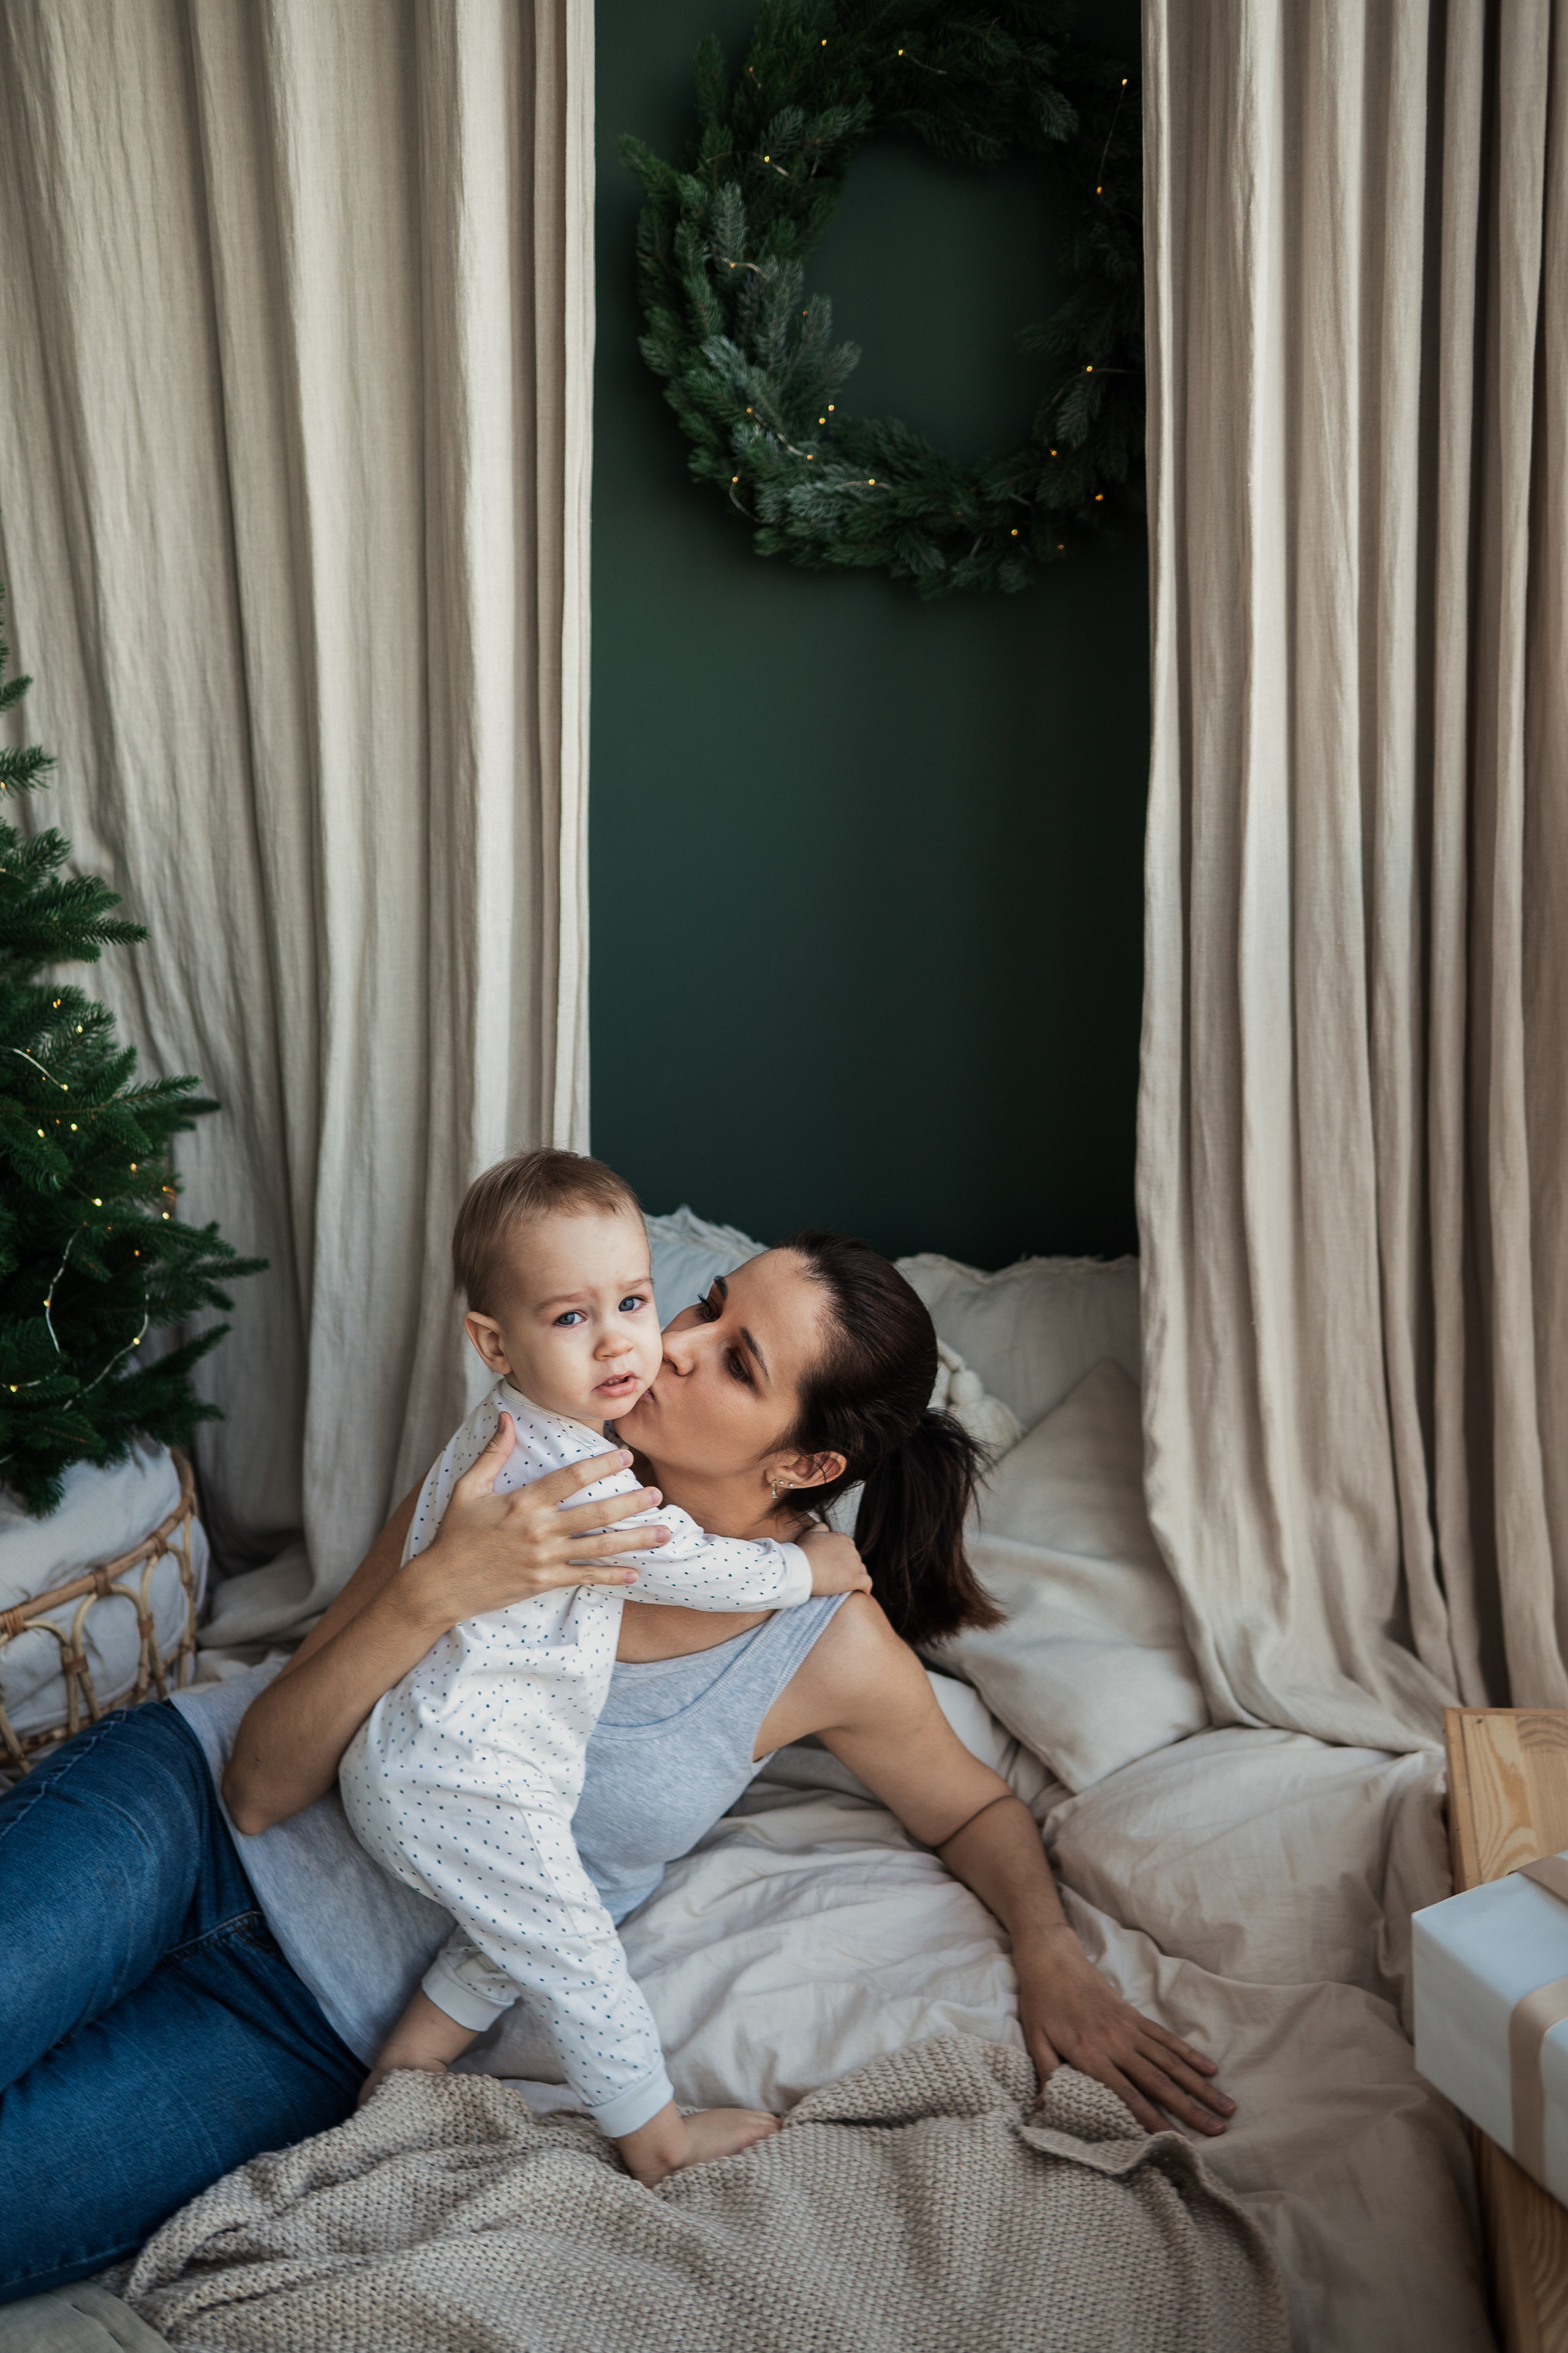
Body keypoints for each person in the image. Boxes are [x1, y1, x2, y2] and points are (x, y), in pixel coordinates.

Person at [0, 1230, 1233, 2307]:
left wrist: (1048, 1950)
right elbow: (265, 1783)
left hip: (298, 2024)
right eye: (705, 1305)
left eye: (737, 1357)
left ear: (806, 1467)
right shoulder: (530, 1456)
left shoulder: (820, 1642)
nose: (678, 1343)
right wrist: (441, 1584)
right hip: (187, 1812)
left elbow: (969, 1806)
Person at [340, 1150, 869, 2183]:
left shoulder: (525, 1424)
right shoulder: (567, 1469)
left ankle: (405, 2068)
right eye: (571, 1318)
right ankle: (659, 2141)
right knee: (579, 1950)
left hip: (450, 1766)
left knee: (523, 1926)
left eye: (634, 1299)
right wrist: (803, 1570)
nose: (630, 1342)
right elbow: (693, 1568)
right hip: (456, 1772)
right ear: (495, 1341)